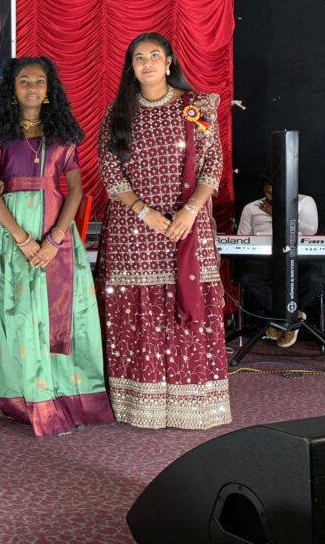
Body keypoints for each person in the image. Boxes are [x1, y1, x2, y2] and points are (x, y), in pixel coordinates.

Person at [97, 32, 230, 430]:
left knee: (185, 308)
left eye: (155, 55)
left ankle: (194, 405)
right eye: (139, 58)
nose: (148, 63)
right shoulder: (118, 113)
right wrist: (144, 212)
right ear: (131, 67)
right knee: (139, 314)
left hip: (187, 226)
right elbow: (110, 171)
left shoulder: (195, 107)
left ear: (169, 61)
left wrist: (189, 211)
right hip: (133, 231)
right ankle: (140, 405)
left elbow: (212, 164)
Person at [0, 57, 113, 437]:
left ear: (50, 90)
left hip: (58, 236)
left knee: (63, 316)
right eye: (24, 81)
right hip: (14, 235)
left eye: (40, 81)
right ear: (12, 89)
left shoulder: (62, 136)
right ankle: (30, 399)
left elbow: (76, 190)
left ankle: (69, 396)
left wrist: (54, 239)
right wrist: (23, 239)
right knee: (23, 315)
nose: (33, 88)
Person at [236, 168, 325, 348]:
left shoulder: (305, 202)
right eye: (268, 192)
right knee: (247, 277)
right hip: (265, 259)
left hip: (299, 257)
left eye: (276, 192)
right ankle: (291, 317)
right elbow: (242, 239)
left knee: (315, 279)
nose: (271, 196)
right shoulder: (251, 208)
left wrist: (277, 214)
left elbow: (310, 230)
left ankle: (279, 319)